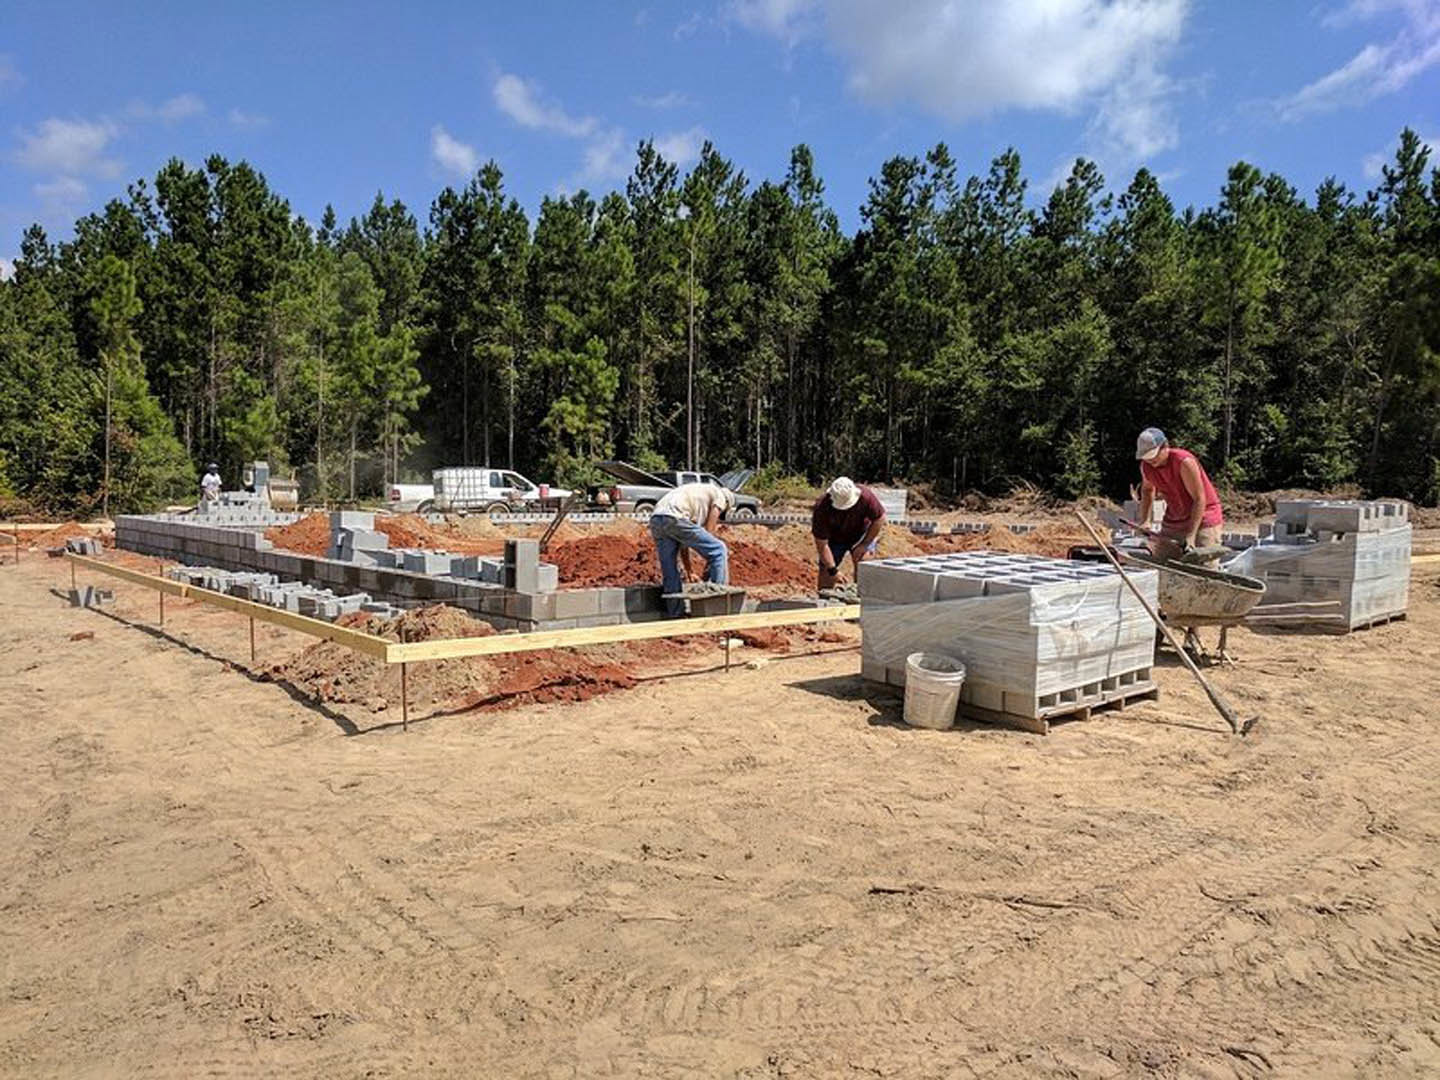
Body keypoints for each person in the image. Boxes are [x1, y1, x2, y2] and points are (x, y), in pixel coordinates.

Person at [1135, 428, 1224, 561]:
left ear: (1165, 447)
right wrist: (1145, 520)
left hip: (1203, 519)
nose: (1150, 460)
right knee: (1163, 564)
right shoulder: (1146, 467)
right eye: (1146, 457)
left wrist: (1191, 536)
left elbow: (1199, 499)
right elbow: (1147, 491)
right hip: (1174, 519)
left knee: (1202, 569)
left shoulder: (1183, 462)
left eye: (1153, 455)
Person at [649, 482, 735, 617]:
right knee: (719, 549)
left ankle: (675, 614)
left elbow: (684, 545)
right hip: (675, 516)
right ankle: (719, 609)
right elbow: (710, 529)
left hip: (656, 518)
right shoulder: (721, 496)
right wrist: (710, 557)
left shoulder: (697, 497)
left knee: (670, 570)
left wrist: (689, 571)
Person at [812, 476, 886, 591]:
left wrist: (865, 544)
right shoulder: (822, 507)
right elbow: (822, 545)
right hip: (834, 538)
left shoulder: (866, 496)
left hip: (861, 533)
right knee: (826, 571)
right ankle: (825, 600)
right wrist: (833, 570)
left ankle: (862, 597)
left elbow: (879, 519)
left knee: (864, 562)